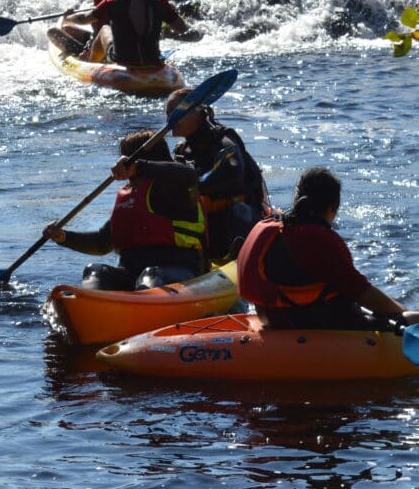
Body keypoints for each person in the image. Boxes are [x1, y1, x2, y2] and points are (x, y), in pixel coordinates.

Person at [237, 167, 419, 330]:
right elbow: (362, 292)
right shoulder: (317, 239)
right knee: (408, 318)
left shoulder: (271, 226)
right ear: (333, 207)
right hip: (305, 323)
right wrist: (400, 310)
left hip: (270, 318)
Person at [43, 129, 206, 291]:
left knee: (150, 275)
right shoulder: (130, 195)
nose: (122, 165)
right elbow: (101, 243)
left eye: (126, 159)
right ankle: (89, 306)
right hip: (133, 275)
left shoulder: (175, 189)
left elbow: (189, 175)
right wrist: (63, 237)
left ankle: (145, 310)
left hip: (180, 271)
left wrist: (139, 166)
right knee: (95, 271)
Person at [165, 87, 270, 263]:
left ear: (197, 113)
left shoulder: (224, 142)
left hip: (238, 222)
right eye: (167, 113)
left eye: (174, 113)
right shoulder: (182, 152)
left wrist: (195, 184)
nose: (169, 119)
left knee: (238, 211)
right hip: (207, 225)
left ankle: (240, 257)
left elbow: (234, 178)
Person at [64, 0, 190, 66]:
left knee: (105, 29)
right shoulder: (159, 0)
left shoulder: (111, 2)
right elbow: (182, 28)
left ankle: (91, 66)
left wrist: (68, 18)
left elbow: (83, 19)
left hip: (122, 59)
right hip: (153, 59)